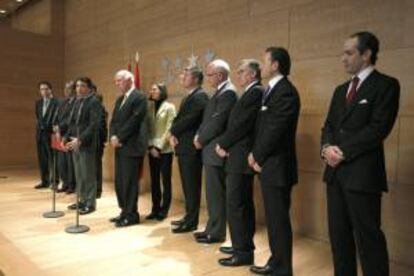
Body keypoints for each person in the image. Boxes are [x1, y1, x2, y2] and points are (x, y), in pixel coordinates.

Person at [321, 31, 400, 276]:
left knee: (369, 241)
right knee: (339, 239)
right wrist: (326, 148)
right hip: (334, 175)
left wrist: (342, 151)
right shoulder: (339, 90)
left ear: (366, 55)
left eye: (349, 53)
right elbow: (329, 127)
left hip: (363, 176)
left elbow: (378, 128)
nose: (343, 58)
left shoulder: (386, 85)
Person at [248, 47, 300, 276]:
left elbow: (275, 130)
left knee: (278, 220)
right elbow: (263, 129)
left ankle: (282, 268)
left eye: (265, 61)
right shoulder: (271, 90)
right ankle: (276, 262)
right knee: (273, 218)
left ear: (276, 64)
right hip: (269, 164)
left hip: (277, 166)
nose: (262, 65)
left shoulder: (286, 92)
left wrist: (257, 155)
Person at [215, 59, 263, 267]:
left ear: (252, 74)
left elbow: (242, 125)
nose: (238, 74)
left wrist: (223, 143)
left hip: (241, 157)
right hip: (237, 156)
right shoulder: (250, 92)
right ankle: (240, 244)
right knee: (238, 204)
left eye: (242, 71)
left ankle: (243, 252)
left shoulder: (256, 92)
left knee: (237, 205)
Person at [193, 59, 238, 243]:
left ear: (220, 75)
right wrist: (198, 135)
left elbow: (218, 123)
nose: (207, 78)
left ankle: (217, 232)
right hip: (209, 151)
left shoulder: (228, 93)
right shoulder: (218, 92)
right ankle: (211, 227)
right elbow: (207, 121)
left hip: (216, 151)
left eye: (210, 74)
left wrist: (201, 139)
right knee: (211, 194)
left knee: (217, 194)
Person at [169, 66, 209, 233]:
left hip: (192, 149)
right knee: (187, 186)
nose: (182, 77)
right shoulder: (188, 97)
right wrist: (172, 132)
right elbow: (178, 119)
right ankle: (188, 216)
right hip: (183, 147)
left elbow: (189, 120)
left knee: (192, 187)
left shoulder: (201, 96)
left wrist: (172, 131)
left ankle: (192, 222)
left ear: (195, 79)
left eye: (185, 75)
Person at [109, 70, 148, 227]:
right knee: (120, 182)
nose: (117, 84)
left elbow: (135, 121)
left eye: (119, 80)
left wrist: (120, 137)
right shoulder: (120, 100)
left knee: (130, 183)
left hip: (132, 147)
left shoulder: (139, 97)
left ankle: (132, 215)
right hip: (119, 146)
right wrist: (112, 136)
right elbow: (114, 121)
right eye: (116, 81)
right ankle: (124, 211)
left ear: (130, 80)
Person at [64, 77, 102, 215]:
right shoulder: (76, 102)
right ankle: (82, 199)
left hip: (87, 144)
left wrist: (80, 139)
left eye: (82, 86)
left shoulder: (94, 102)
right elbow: (72, 123)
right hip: (75, 143)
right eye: (77, 86)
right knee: (79, 174)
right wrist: (65, 137)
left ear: (89, 88)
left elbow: (94, 125)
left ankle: (90, 203)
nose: (79, 88)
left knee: (88, 175)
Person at [146, 83, 176, 221]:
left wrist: (158, 147)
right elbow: (147, 129)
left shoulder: (170, 107)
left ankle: (164, 210)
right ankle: (155, 209)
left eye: (154, 89)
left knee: (165, 181)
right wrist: (150, 147)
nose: (151, 91)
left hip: (164, 150)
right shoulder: (149, 107)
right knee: (154, 181)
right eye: (151, 89)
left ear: (162, 91)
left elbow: (169, 129)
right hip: (151, 149)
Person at [34, 81, 59, 189]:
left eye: (46, 89)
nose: (44, 91)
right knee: (42, 159)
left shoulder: (57, 102)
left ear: (50, 89)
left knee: (53, 159)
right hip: (40, 134)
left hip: (52, 134)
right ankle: (45, 181)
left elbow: (57, 118)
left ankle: (55, 181)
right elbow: (39, 118)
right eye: (42, 89)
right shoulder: (38, 103)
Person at [54, 81, 77, 194]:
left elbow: (70, 122)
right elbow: (58, 117)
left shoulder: (76, 103)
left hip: (69, 135)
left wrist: (64, 134)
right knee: (61, 163)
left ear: (73, 90)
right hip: (59, 135)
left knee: (70, 163)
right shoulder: (62, 103)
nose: (66, 91)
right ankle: (65, 183)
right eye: (65, 88)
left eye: (69, 88)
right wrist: (56, 129)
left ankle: (72, 186)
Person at [94, 91, 108, 199]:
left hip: (98, 142)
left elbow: (103, 128)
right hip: (93, 143)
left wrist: (104, 141)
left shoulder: (102, 110)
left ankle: (98, 190)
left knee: (97, 167)